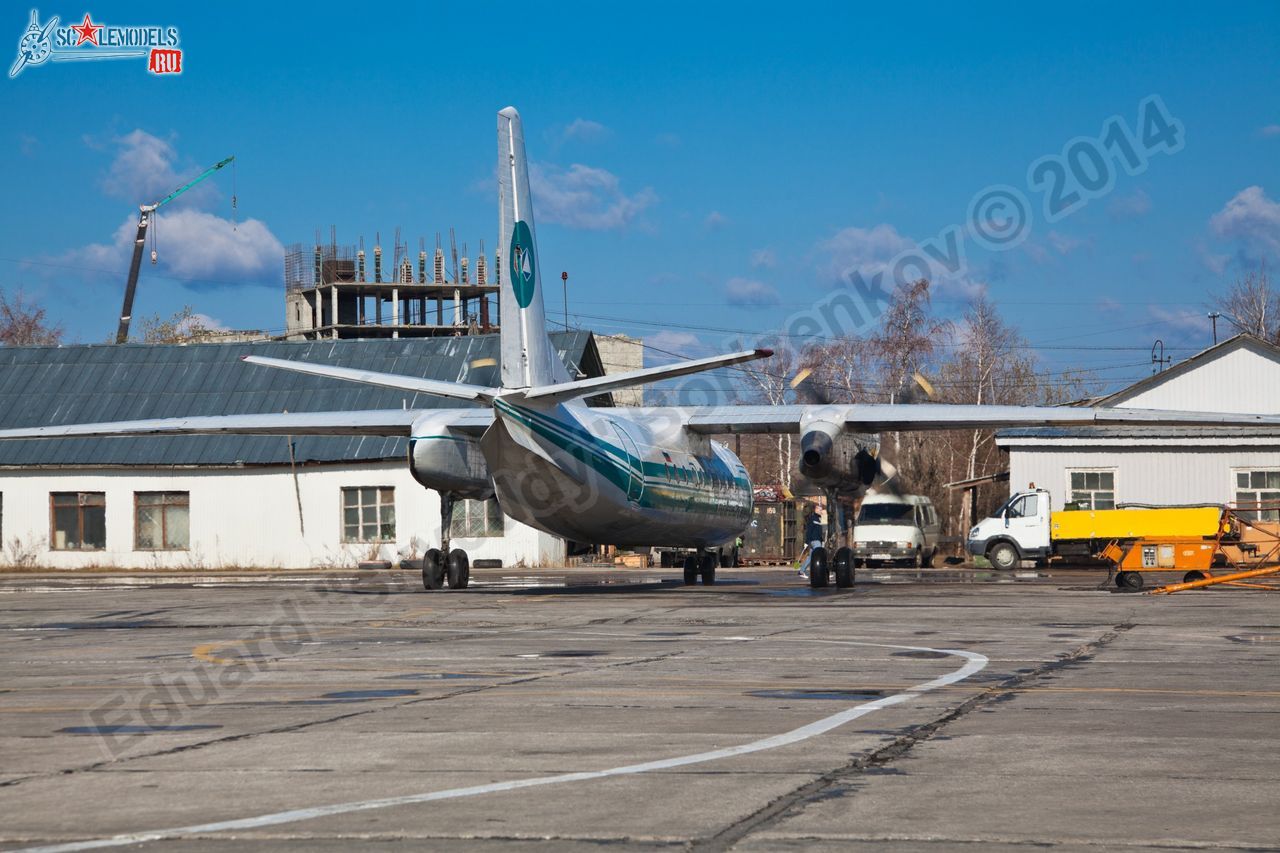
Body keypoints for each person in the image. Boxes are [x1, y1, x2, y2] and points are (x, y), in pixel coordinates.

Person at [797, 505, 824, 577]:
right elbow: (809, 531)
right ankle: (823, 573)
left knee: (811, 557)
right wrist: (806, 542)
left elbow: (818, 532)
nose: (821, 511)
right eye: (820, 510)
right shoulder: (813, 519)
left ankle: (801, 571)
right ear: (816, 510)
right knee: (820, 556)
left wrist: (822, 540)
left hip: (816, 541)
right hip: (815, 541)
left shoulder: (818, 519)